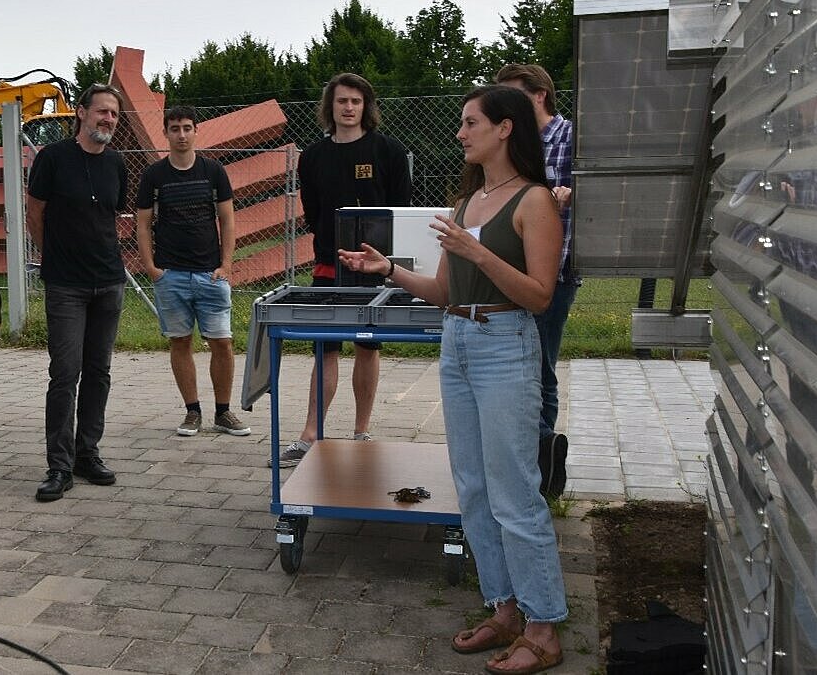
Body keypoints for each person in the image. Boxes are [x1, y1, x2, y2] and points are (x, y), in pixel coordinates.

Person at [338, 84, 567, 674]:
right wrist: (388, 268)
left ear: (505, 128)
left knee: (514, 490)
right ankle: (505, 608)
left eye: (470, 123)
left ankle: (543, 629)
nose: (461, 132)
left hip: (506, 345)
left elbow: (540, 297)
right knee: (471, 486)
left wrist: (481, 254)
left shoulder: (534, 201)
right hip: (458, 341)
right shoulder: (469, 203)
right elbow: (443, 292)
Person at [274, 72, 412, 468]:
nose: (349, 108)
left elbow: (399, 209)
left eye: (356, 101)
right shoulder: (313, 157)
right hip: (328, 268)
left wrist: (382, 261)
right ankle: (310, 435)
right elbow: (313, 211)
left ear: (367, 106)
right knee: (326, 347)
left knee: (367, 347)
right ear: (330, 107)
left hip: (374, 269)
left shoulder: (388, 150)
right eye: (341, 101)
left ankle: (361, 432)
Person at [24, 84, 126, 502]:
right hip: (66, 284)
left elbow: (111, 216)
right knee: (65, 373)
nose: (108, 120)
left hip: (109, 281)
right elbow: (35, 212)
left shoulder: (117, 163)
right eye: (101, 111)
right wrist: (52, 256)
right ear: (81, 113)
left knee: (99, 372)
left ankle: (88, 452)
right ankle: (59, 465)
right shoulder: (52, 159)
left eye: (114, 114)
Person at [134, 106, 250, 438]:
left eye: (187, 128)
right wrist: (152, 269)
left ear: (196, 131)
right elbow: (142, 225)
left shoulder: (213, 171)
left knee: (223, 343)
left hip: (210, 275)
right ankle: (192, 411)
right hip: (170, 275)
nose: (181, 134)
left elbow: (227, 220)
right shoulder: (154, 176)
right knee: (181, 342)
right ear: (166, 133)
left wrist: (226, 265)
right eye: (175, 128)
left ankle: (224, 413)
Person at [495, 64, 577, 470]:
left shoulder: (572, 135)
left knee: (540, 362)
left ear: (540, 94)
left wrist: (571, 195)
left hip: (555, 269)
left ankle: (543, 459)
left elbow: (605, 193)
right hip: (512, 269)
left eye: (514, 96)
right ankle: (527, 454)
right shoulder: (515, 143)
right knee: (518, 362)